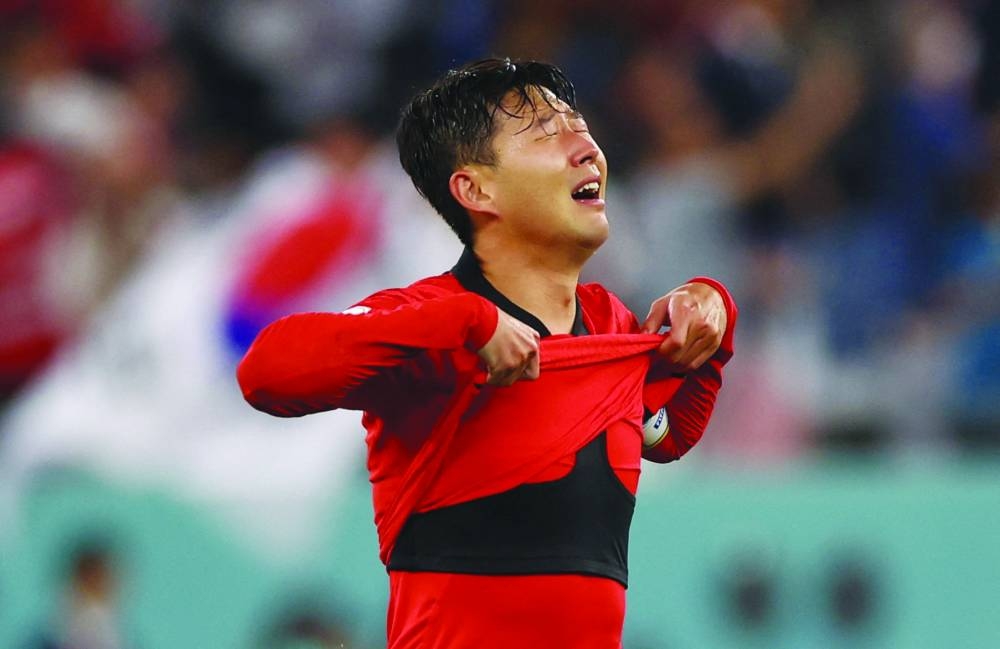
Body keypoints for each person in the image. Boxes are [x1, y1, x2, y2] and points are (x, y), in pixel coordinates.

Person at [237, 58, 738, 648]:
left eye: (580, 127)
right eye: (545, 134)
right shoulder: (431, 322)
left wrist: (711, 310)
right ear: (475, 190)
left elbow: (665, 434)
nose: (586, 149)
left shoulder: (609, 325)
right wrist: (467, 322)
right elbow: (266, 372)